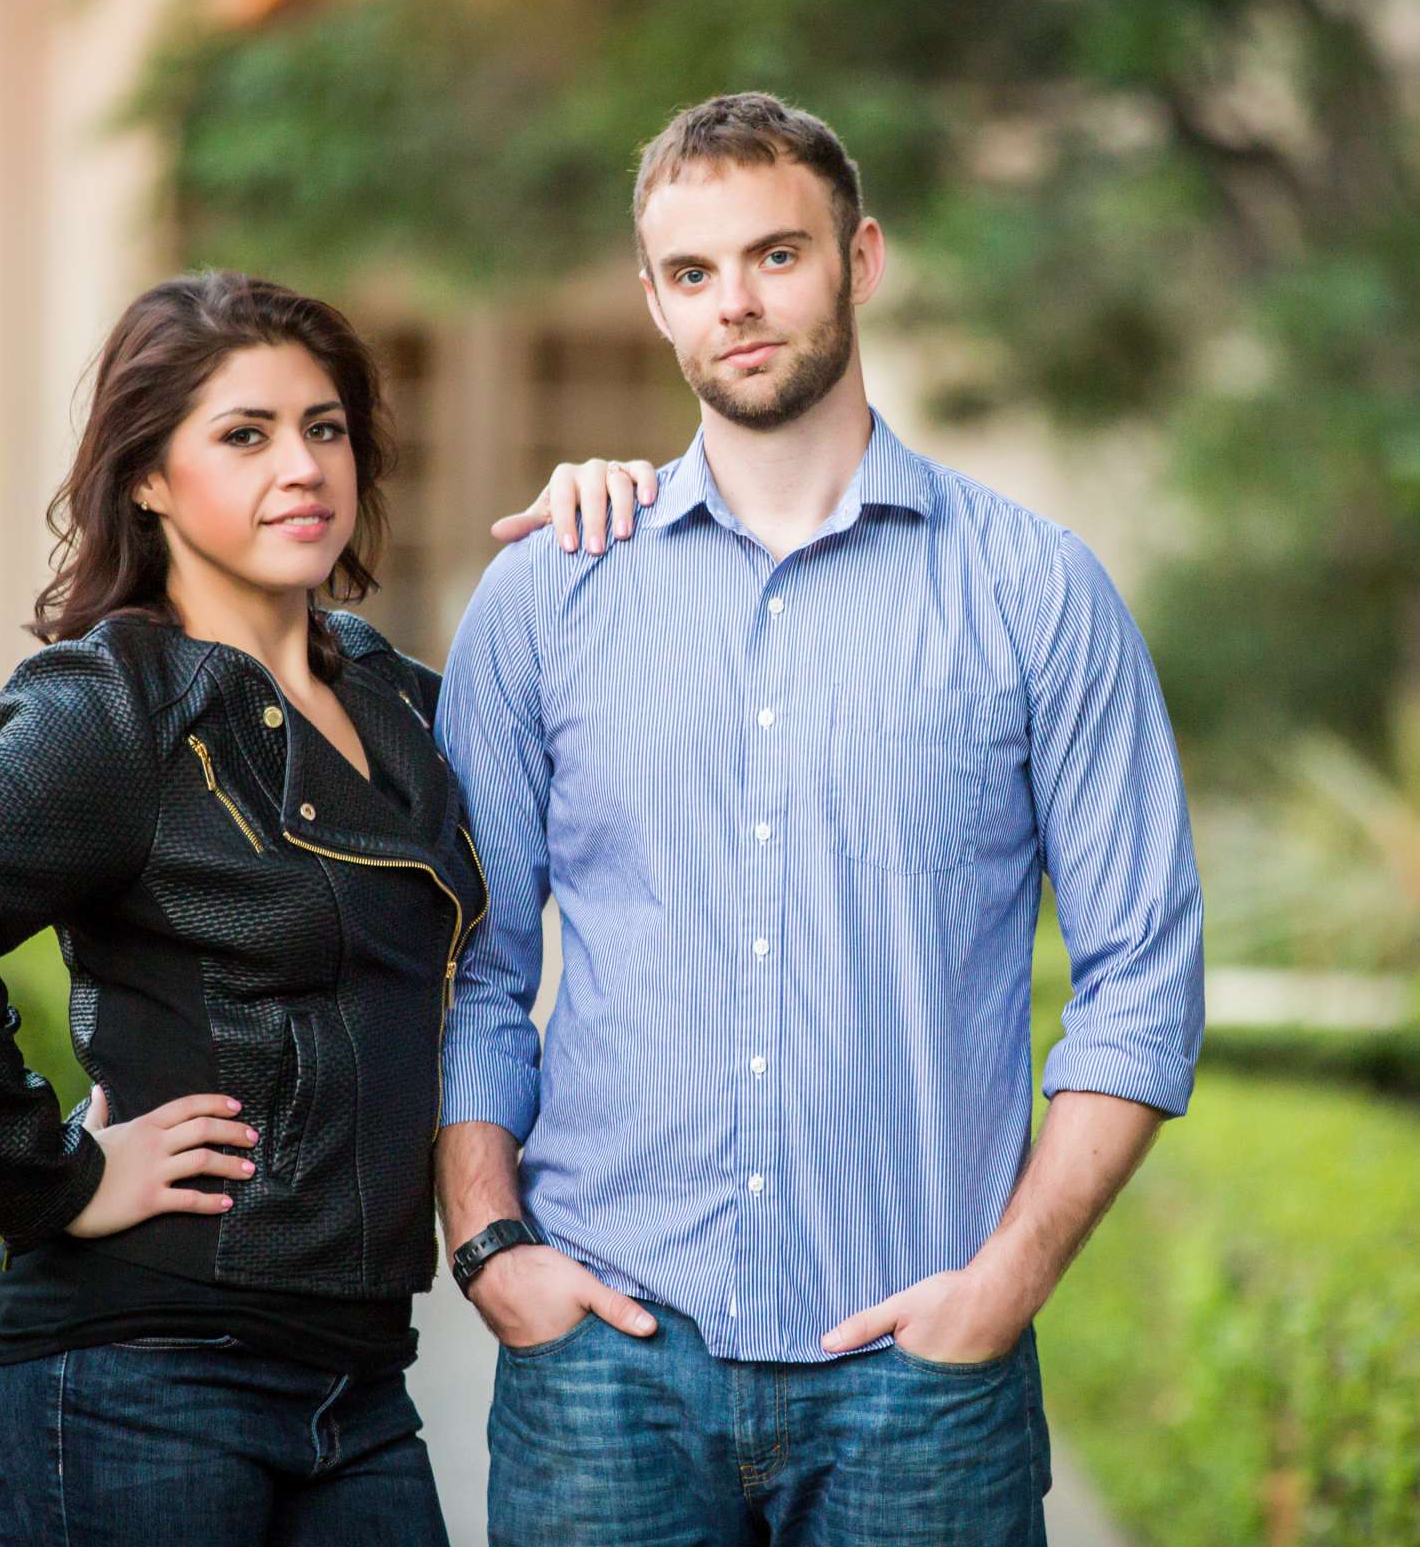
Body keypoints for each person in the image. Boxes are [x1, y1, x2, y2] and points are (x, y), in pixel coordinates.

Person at [436, 92, 1208, 1545]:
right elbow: (467, 957)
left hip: (922, 1380)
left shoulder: (1037, 595)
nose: (735, 303)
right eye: (692, 273)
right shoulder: (546, 596)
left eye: (774, 257)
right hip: (607, 1364)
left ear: (859, 259)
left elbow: (1142, 978)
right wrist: (488, 1246)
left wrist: (1005, 1287)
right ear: (653, 301)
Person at [0, 270, 617, 1546]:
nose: (300, 465)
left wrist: (616, 516)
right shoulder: (116, 705)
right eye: (243, 435)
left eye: (325, 427)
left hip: (357, 1382)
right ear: (148, 477)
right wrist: (57, 1179)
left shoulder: (405, 702)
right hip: (136, 1373)